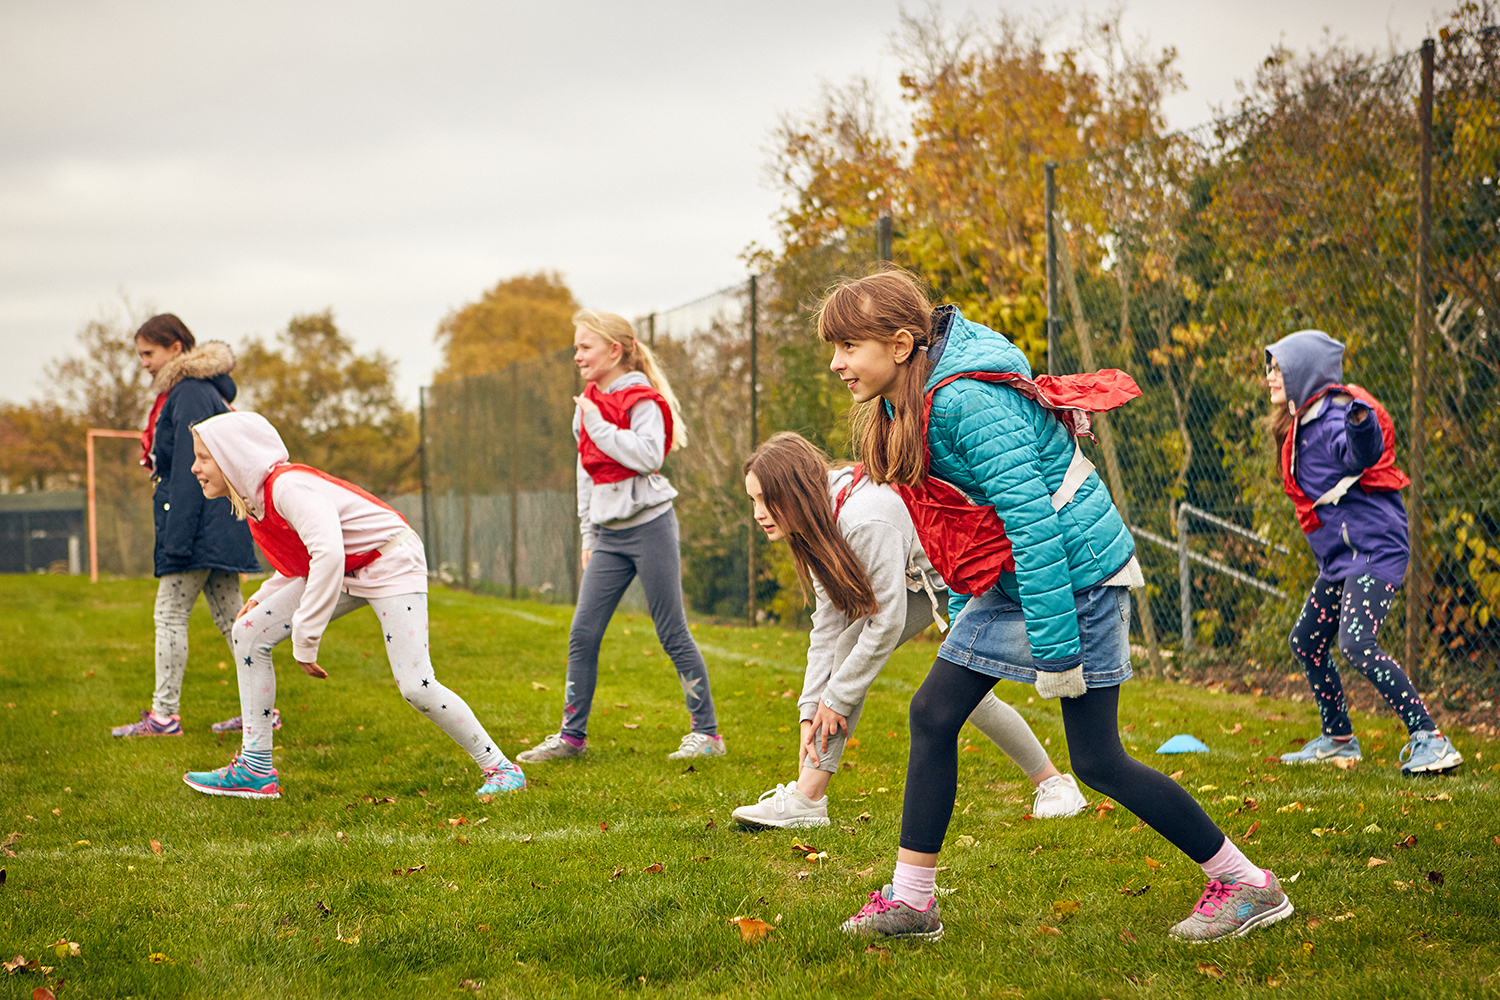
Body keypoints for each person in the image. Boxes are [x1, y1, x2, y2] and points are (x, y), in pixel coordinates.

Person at [821, 271, 1291, 944]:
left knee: (1097, 761)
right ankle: (913, 903)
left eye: (848, 347)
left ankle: (1249, 884)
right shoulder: (903, 403)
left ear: (899, 345)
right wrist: (966, 605)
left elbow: (1032, 523)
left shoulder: (966, 403)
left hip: (1077, 580)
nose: (836, 363)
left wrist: (1058, 650)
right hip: (1013, 582)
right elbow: (953, 521)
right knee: (932, 713)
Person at [730, 432, 1087, 830]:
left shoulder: (863, 518)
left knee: (962, 692)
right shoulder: (814, 524)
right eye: (753, 502)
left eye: (767, 500)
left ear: (794, 490)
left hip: (968, 574)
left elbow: (886, 621)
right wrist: (810, 708)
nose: (759, 513)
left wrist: (836, 700)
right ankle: (808, 798)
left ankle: (1056, 784)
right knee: (889, 667)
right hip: (920, 580)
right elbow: (827, 625)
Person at [180, 411, 524, 800]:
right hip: (348, 566)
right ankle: (255, 770)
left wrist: (306, 639)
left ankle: (501, 768)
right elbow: (303, 558)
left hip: (390, 561)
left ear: (232, 457)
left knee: (416, 685)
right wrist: (262, 595)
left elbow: (327, 553)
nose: (195, 467)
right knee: (248, 632)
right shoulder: (254, 499)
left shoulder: (287, 488)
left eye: (204, 457)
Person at [518, 309, 723, 764]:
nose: (577, 356)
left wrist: (598, 425)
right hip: (608, 538)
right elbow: (586, 477)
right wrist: (589, 537)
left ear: (614, 350)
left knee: (672, 631)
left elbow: (650, 457)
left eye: (585, 347)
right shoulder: (587, 404)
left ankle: (707, 734)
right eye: (576, 347)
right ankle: (571, 738)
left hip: (650, 528)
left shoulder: (639, 399)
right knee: (582, 633)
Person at [1265, 330, 1461, 775]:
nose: (1270, 377)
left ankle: (1430, 737)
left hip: (1375, 550)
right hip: (1343, 559)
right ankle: (1338, 739)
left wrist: (1361, 424)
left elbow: (1362, 451)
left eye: (1277, 368)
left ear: (1304, 373)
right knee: (1307, 640)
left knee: (1356, 642)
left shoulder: (1336, 418)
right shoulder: (1302, 423)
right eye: (1270, 369)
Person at [110, 314, 262, 738]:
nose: (143, 362)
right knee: (237, 624)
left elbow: (189, 471)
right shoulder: (197, 390)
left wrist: (176, 540)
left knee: (170, 614)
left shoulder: (191, 392)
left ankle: (163, 717)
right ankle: (262, 714)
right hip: (217, 525)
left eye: (148, 353)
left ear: (175, 348)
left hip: (200, 528)